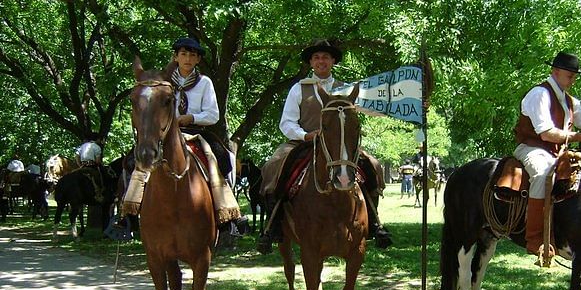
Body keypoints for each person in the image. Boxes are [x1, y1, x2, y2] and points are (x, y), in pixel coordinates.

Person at [256, 39, 392, 254]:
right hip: (305, 142)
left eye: (326, 57)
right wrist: (305, 135)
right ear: (311, 62)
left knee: (372, 165)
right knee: (274, 164)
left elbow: (372, 109)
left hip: (339, 148)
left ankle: (374, 223)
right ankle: (274, 225)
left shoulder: (346, 89)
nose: (321, 61)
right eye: (317, 57)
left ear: (333, 61)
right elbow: (287, 122)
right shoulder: (298, 89)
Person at [122, 37, 246, 234]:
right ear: (176, 57)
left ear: (197, 60)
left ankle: (227, 211)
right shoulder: (163, 81)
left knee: (223, 158)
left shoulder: (204, 82)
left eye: (192, 55)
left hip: (196, 132)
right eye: (183, 54)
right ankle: (128, 211)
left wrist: (191, 117)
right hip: (165, 134)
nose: (188, 58)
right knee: (132, 161)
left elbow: (213, 114)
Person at [513, 51, 581, 255]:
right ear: (555, 71)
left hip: (555, 153)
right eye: (569, 75)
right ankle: (535, 238)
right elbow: (546, 133)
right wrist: (579, 138)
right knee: (543, 174)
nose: (573, 80)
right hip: (533, 148)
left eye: (574, 76)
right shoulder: (540, 94)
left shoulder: (568, 100)